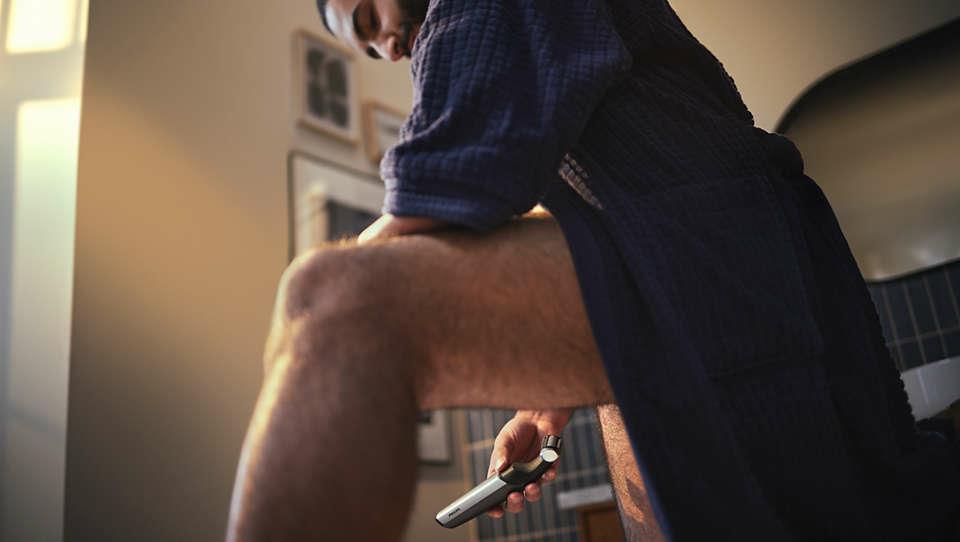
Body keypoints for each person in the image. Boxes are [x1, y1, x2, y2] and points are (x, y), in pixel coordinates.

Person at [226, 1, 960, 540]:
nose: (383, 44)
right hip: (684, 247)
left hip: (712, 238)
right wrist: (549, 398)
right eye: (362, 43)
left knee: (332, 300)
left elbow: (455, 178)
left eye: (367, 16)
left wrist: (339, 295)